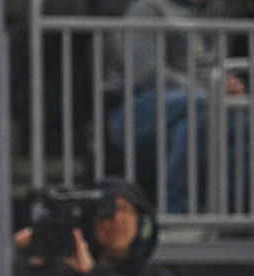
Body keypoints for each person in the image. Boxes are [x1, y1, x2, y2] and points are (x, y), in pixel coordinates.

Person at [106, 0, 248, 213]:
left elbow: (215, 69)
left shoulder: (212, 11)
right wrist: (211, 90)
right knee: (204, 107)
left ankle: (234, 212)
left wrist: (230, 84)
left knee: (242, 120)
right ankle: (177, 205)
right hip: (140, 107)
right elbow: (146, 74)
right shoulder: (148, 8)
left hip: (199, 105)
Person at [14, 178, 182, 276]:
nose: (116, 219)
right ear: (90, 222)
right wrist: (26, 262)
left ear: (141, 221)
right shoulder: (61, 274)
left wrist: (92, 273)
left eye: (124, 209)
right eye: (105, 212)